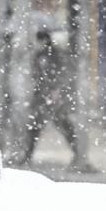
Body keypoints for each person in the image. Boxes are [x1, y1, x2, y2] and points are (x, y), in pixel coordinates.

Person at [19, 29, 96, 173]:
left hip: (53, 98)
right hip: (43, 97)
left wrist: (56, 91)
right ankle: (28, 155)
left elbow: (61, 74)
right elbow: (38, 76)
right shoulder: (41, 55)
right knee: (38, 127)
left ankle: (78, 155)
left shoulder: (53, 55)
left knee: (62, 127)